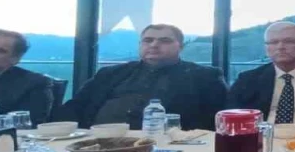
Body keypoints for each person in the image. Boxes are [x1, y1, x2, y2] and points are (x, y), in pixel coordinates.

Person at [58, 24, 227, 131]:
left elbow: (219, 120)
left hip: (168, 147)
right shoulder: (109, 74)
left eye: (165, 41)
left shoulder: (205, 77)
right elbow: (73, 109)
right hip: (96, 143)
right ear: (140, 45)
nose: (154, 45)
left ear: (181, 47)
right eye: (148, 40)